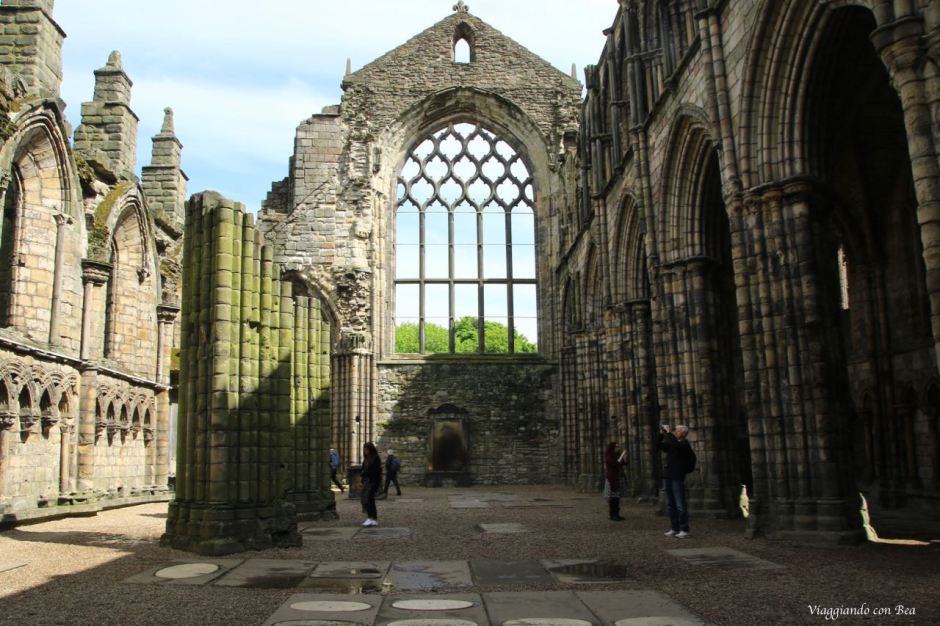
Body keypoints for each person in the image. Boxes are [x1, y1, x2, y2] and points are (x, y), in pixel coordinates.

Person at [659, 424, 695, 538]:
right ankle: (675, 528)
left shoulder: (684, 444)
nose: (675, 432)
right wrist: (661, 435)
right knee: (671, 504)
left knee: (680, 504)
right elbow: (660, 446)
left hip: (677, 476)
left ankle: (684, 529)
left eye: (677, 431)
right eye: (675, 431)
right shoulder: (673, 443)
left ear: (683, 433)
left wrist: (669, 433)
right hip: (668, 476)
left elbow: (677, 445)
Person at [603, 441, 629, 521]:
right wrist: (621, 456)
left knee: (617, 497)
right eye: (616, 447)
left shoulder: (617, 455)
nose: (618, 448)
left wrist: (625, 458)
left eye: (618, 446)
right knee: (613, 498)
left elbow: (624, 463)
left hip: (618, 478)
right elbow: (615, 463)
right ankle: (612, 515)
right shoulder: (608, 456)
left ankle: (617, 514)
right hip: (612, 479)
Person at [360, 441, 382, 527]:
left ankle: (371, 517)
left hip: (372, 482)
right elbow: (363, 469)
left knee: (369, 499)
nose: (365, 451)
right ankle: (373, 518)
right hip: (366, 482)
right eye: (364, 449)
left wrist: (366, 473)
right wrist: (363, 477)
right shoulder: (366, 459)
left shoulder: (376, 458)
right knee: (368, 499)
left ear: (371, 449)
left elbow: (376, 472)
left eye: (367, 449)